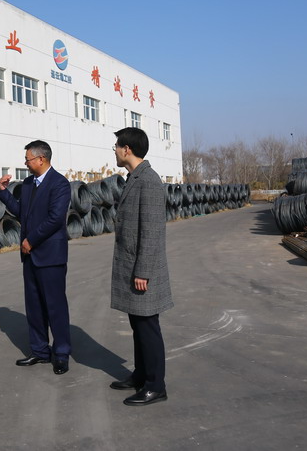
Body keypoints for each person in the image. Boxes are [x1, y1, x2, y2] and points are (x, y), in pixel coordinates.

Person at [109, 127, 174, 406]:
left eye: (116, 146)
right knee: (138, 324)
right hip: (132, 265)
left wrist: (143, 271)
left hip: (142, 269)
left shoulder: (148, 181)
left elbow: (152, 230)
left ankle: (156, 385)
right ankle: (141, 375)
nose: (114, 151)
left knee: (148, 327)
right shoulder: (134, 178)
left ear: (127, 149)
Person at [0, 140, 72, 375]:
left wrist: (31, 240)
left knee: (55, 307)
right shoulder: (29, 184)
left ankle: (61, 354)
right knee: (34, 306)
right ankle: (39, 351)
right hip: (30, 256)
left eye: (28, 159)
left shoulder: (59, 184)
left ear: (41, 159)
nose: (25, 163)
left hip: (49, 255)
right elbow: (22, 212)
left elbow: (55, 218)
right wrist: (3, 193)